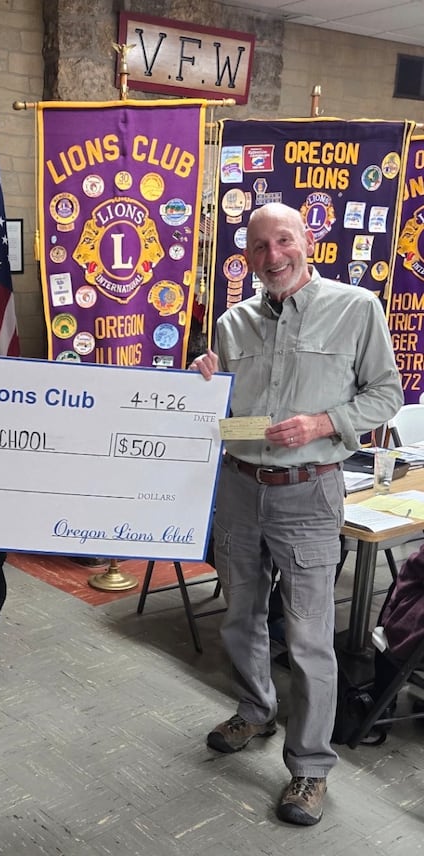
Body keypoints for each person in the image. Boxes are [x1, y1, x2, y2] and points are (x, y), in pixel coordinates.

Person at [191, 202, 402, 826]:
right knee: (240, 618)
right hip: (237, 487)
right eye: (259, 247)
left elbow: (386, 393)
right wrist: (201, 379)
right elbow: (220, 408)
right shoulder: (233, 323)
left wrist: (323, 422)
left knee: (309, 636)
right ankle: (255, 711)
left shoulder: (356, 309)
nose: (273, 256)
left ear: (307, 240)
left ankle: (310, 768)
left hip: (310, 493)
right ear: (248, 255)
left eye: (283, 240)